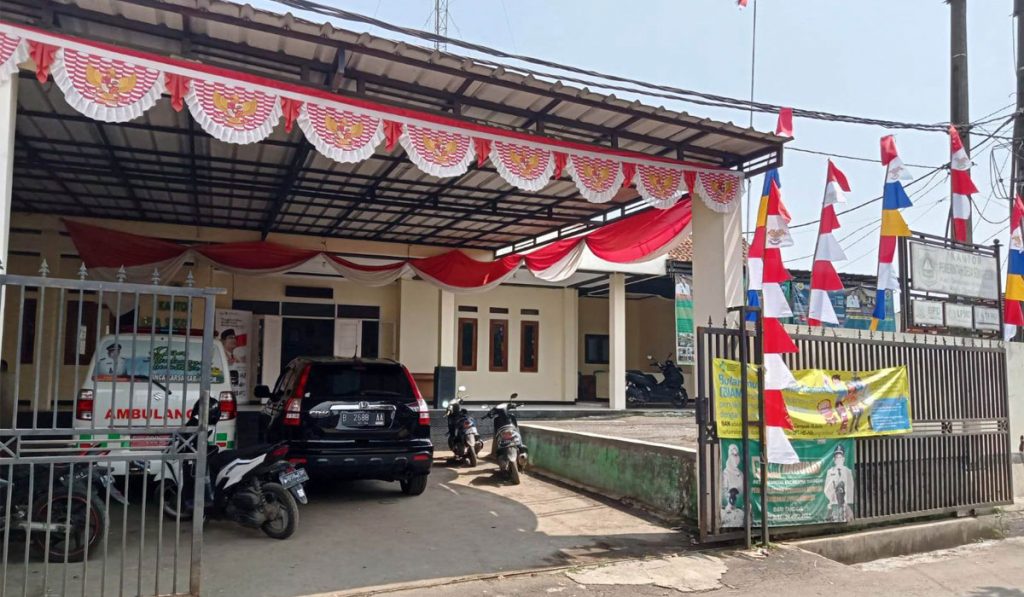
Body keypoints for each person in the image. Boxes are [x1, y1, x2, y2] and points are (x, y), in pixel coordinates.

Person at [823, 444, 855, 523]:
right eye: (837, 457)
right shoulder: (830, 471)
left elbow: (851, 487)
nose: (838, 459)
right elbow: (826, 489)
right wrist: (832, 497)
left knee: (846, 517)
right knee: (833, 518)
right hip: (833, 501)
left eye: (840, 457)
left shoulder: (848, 471)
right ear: (834, 459)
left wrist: (846, 501)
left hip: (845, 502)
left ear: (843, 459)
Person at [720, 443, 745, 527]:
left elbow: (743, 491)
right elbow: (723, 490)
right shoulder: (725, 473)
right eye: (733, 455)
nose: (735, 458)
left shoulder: (741, 474)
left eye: (736, 455)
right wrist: (730, 496)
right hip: (728, 509)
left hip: (739, 509)